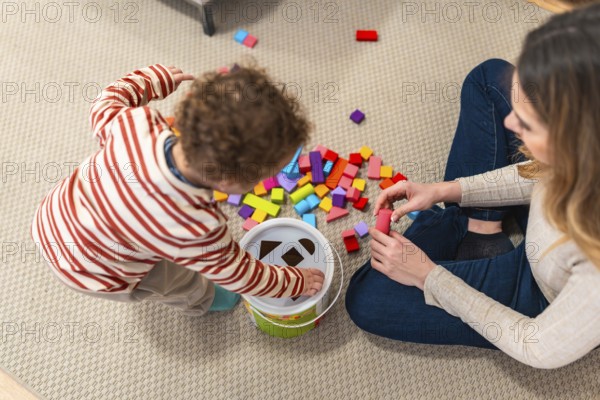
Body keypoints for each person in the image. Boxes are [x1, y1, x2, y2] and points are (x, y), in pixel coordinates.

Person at [345, 4, 600, 368]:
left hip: (543, 291)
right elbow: (539, 175)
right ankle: (477, 231)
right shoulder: (580, 155)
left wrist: (428, 276)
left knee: (368, 297)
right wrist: (447, 190)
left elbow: (537, 347)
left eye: (526, 123)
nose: (510, 123)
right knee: (490, 78)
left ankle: (467, 233)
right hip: (557, 231)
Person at [31, 63, 324, 316]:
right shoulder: (197, 226)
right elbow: (242, 275)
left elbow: (108, 98)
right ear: (230, 183)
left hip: (53, 216)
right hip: (99, 270)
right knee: (178, 279)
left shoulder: (137, 122)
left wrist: (153, 79)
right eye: (266, 174)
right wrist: (295, 281)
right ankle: (203, 300)